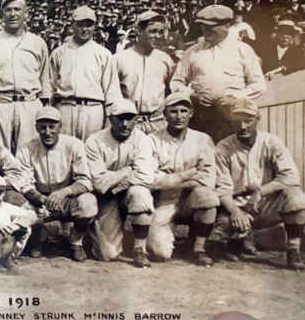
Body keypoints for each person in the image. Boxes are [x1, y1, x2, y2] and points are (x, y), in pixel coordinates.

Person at [213, 98, 305, 270]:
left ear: (258, 119)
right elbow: (222, 188)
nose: (242, 126)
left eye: (248, 120)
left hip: (265, 204)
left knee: (296, 197)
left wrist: (260, 192)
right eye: (237, 121)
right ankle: (238, 240)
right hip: (236, 206)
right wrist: (235, 212)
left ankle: (293, 249)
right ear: (230, 121)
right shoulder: (223, 147)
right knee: (221, 237)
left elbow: (291, 176)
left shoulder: (271, 142)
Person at [170, 4, 265, 142]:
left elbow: (258, 85)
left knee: (230, 153)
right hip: (199, 118)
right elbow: (176, 82)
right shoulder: (192, 51)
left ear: (227, 25)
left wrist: (234, 97)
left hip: (232, 118)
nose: (205, 30)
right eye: (203, 26)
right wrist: (191, 95)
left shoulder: (243, 50)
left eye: (210, 27)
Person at [146, 92, 220, 266]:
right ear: (164, 115)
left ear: (191, 113)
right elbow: (151, 179)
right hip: (163, 201)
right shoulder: (152, 140)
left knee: (208, 197)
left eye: (183, 111)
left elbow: (208, 177)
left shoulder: (202, 139)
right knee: (159, 253)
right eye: (173, 111)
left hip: (190, 198)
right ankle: (169, 234)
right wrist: (189, 175)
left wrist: (169, 179)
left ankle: (198, 248)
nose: (179, 116)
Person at [16, 106, 97, 262]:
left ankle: (76, 241)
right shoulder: (27, 148)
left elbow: (85, 181)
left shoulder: (74, 144)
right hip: (39, 200)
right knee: (20, 207)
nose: (47, 132)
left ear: (60, 127)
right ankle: (38, 236)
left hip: (67, 198)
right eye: (43, 127)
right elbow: (23, 183)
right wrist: (40, 199)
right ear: (36, 128)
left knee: (88, 203)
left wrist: (63, 193)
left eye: (52, 127)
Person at [0, 0, 51, 155]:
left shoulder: (38, 43)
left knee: (29, 154)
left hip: (29, 104)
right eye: (8, 10)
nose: (13, 14)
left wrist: (44, 109)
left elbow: (45, 80)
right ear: (2, 14)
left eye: (17, 9)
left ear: (26, 13)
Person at [86, 99, 156, 268]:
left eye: (129, 118)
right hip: (106, 198)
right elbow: (99, 183)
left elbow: (145, 176)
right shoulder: (95, 141)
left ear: (136, 120)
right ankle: (93, 230)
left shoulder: (143, 140)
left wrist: (116, 185)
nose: (125, 124)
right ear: (110, 119)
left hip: (123, 193)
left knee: (140, 193)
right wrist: (128, 170)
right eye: (120, 118)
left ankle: (139, 248)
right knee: (107, 254)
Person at [49, 5, 122, 140]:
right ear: (72, 25)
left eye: (89, 25)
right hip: (65, 107)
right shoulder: (59, 53)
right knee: (64, 148)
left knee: (92, 148)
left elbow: (112, 91)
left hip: (93, 109)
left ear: (94, 26)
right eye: (80, 25)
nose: (85, 29)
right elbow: (49, 87)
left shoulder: (104, 54)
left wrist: (109, 120)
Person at [114, 10, 175, 135]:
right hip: (129, 123)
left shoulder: (165, 59)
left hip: (158, 123)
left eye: (160, 32)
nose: (157, 36)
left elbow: (171, 90)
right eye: (152, 31)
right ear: (139, 31)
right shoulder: (119, 59)